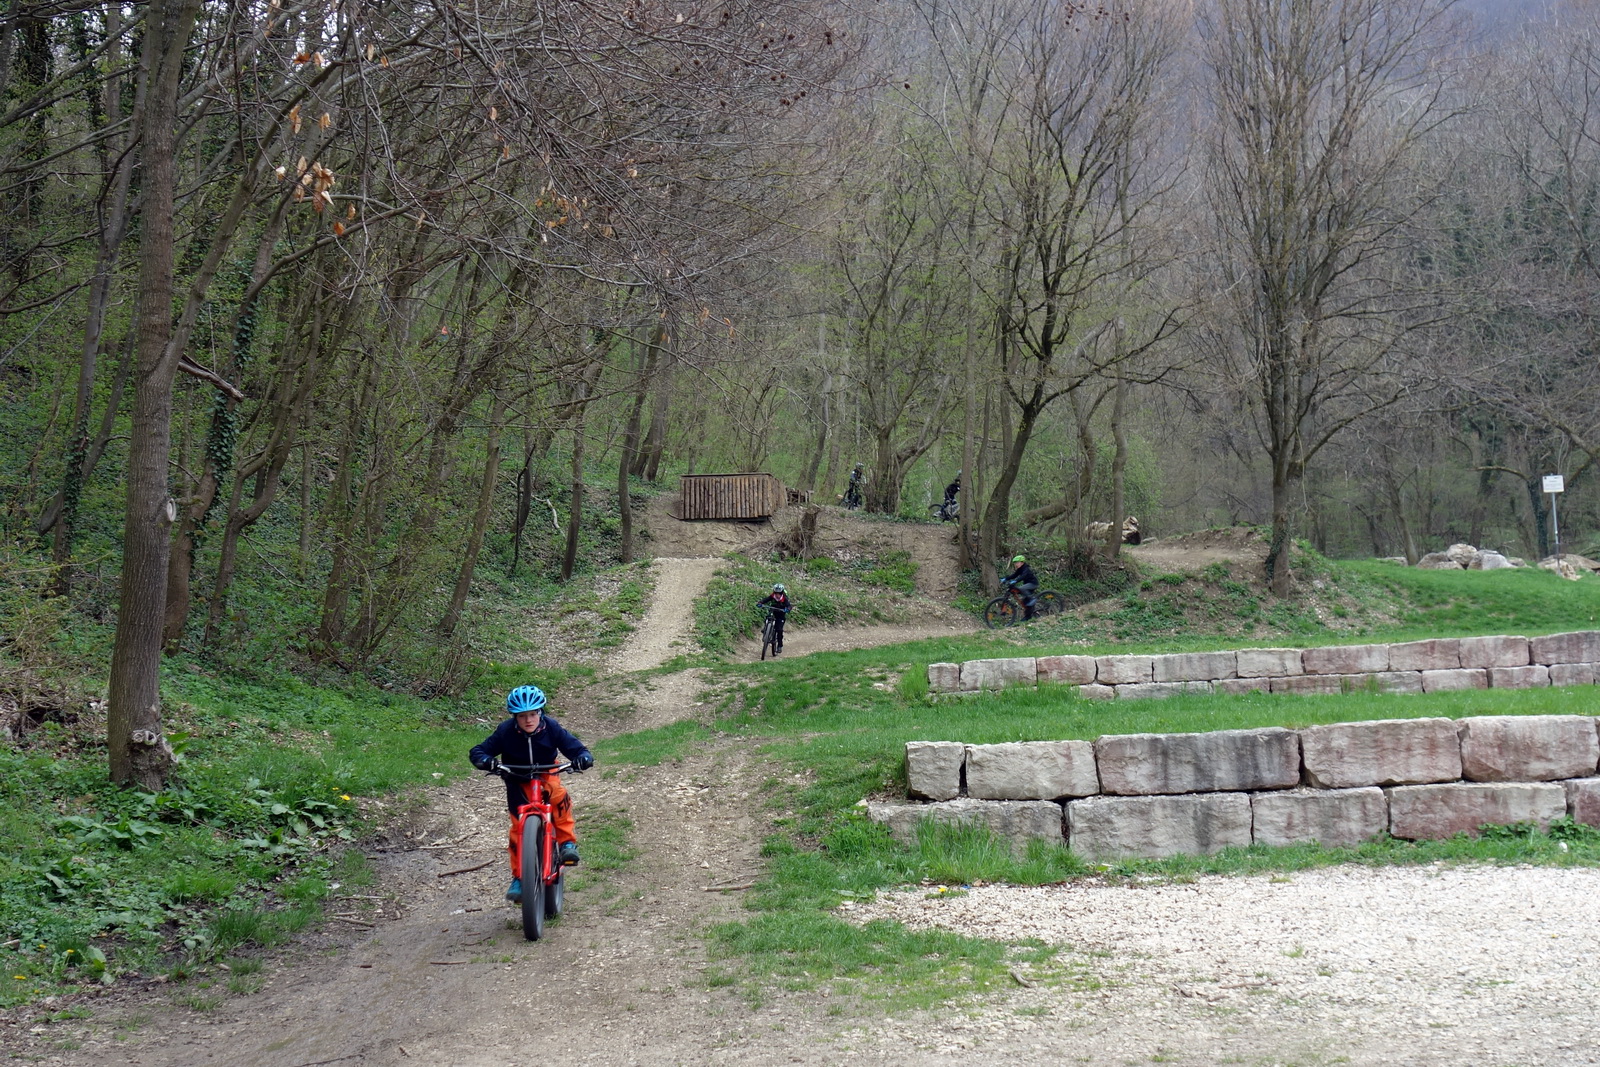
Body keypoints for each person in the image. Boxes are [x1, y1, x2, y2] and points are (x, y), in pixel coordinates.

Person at [469, 685, 594, 904]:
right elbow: (478, 751)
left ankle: (567, 844)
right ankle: (519, 878)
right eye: (522, 716)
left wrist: (582, 757)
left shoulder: (551, 727)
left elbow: (575, 747)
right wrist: (485, 760)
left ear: (540, 712)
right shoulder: (505, 732)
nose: (528, 720)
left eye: (533, 714)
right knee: (518, 828)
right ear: (514, 717)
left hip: (546, 773)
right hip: (517, 779)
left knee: (558, 796)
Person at [756, 582, 793, 654]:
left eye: (779, 593)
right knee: (768, 617)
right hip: (773, 611)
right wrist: (760, 603)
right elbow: (766, 599)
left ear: (782, 593)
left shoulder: (784, 598)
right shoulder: (772, 596)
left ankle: (779, 646)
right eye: (776, 593)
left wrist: (788, 609)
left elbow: (789, 605)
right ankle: (766, 628)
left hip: (781, 614)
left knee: (779, 630)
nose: (777, 595)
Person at [1001, 554, 1039, 620]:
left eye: (1017, 562)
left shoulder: (1026, 568)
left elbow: (1023, 576)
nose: (1016, 564)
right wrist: (1006, 578)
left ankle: (1032, 599)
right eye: (1015, 563)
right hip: (1027, 584)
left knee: (1022, 588)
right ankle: (1028, 617)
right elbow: (1014, 575)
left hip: (1033, 584)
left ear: (1022, 562)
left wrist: (1015, 581)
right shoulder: (1020, 569)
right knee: (1025, 602)